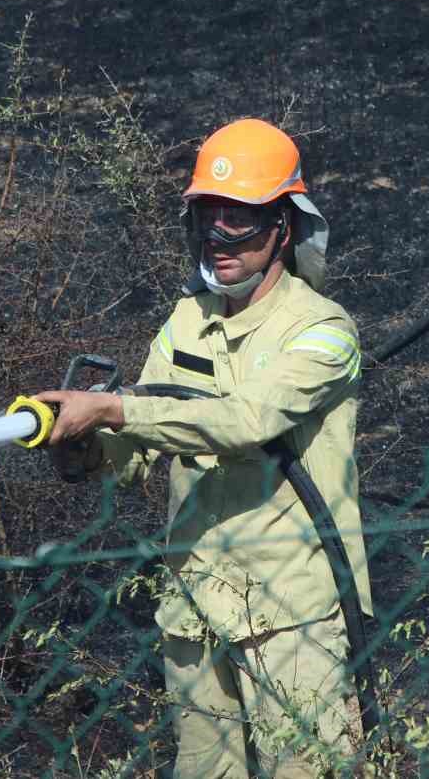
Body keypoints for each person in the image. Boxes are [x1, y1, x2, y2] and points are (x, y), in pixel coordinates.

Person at [35, 118, 369, 778]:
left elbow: (245, 423)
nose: (218, 239)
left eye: (238, 220)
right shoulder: (188, 318)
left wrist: (111, 405)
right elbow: (134, 450)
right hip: (194, 607)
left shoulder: (326, 332)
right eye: (206, 217)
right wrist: (77, 442)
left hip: (289, 612)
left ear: (283, 225)